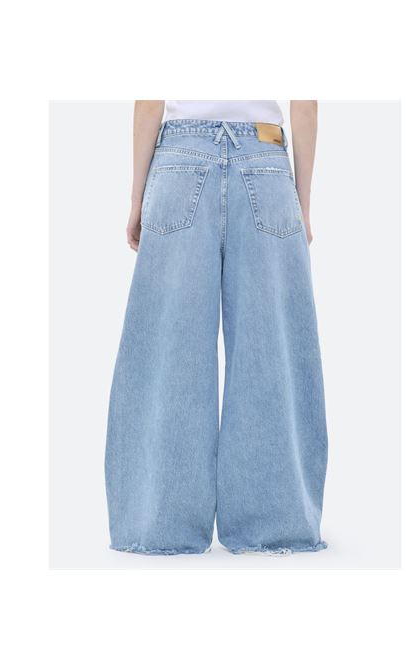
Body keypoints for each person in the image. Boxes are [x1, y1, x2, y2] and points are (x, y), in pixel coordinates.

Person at [105, 100, 328, 555]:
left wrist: (137, 198)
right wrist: (302, 205)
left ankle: (156, 526)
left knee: (166, 352)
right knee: (272, 353)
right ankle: (276, 525)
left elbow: (149, 102)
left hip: (179, 161)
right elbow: (305, 105)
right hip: (265, 160)